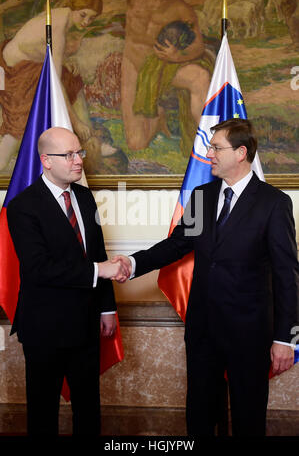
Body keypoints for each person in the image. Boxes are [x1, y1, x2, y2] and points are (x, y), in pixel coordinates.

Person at [113, 118, 299, 436]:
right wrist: (132, 262)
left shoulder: (273, 203)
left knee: (247, 417)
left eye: (215, 148)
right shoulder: (203, 196)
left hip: (249, 335)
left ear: (241, 153)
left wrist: (285, 338)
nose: (209, 153)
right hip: (202, 330)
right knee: (199, 414)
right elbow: (176, 245)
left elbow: (287, 275)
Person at [6, 127, 128, 435]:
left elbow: (98, 251)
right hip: (44, 328)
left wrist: (107, 308)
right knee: (43, 412)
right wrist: (100, 271)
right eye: (69, 155)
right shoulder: (23, 206)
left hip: (86, 323)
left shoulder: (85, 198)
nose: (79, 161)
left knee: (88, 409)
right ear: (46, 160)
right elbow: (39, 269)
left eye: (80, 152)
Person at [0, 0, 116, 173]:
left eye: (91, 18)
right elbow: (55, 80)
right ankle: (81, 135)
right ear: (74, 8)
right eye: (83, 15)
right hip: (14, 72)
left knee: (71, 77)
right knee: (51, 90)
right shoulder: (58, 25)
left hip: (28, 64)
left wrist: (65, 62)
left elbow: (38, 49)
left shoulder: (60, 16)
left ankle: (88, 140)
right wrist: (76, 121)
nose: (86, 22)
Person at [93, 0, 214, 155]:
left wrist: (176, 55)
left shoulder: (181, 8)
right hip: (133, 65)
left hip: (162, 66)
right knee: (137, 143)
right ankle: (158, 118)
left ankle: (212, 139)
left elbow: (198, 46)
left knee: (200, 76)